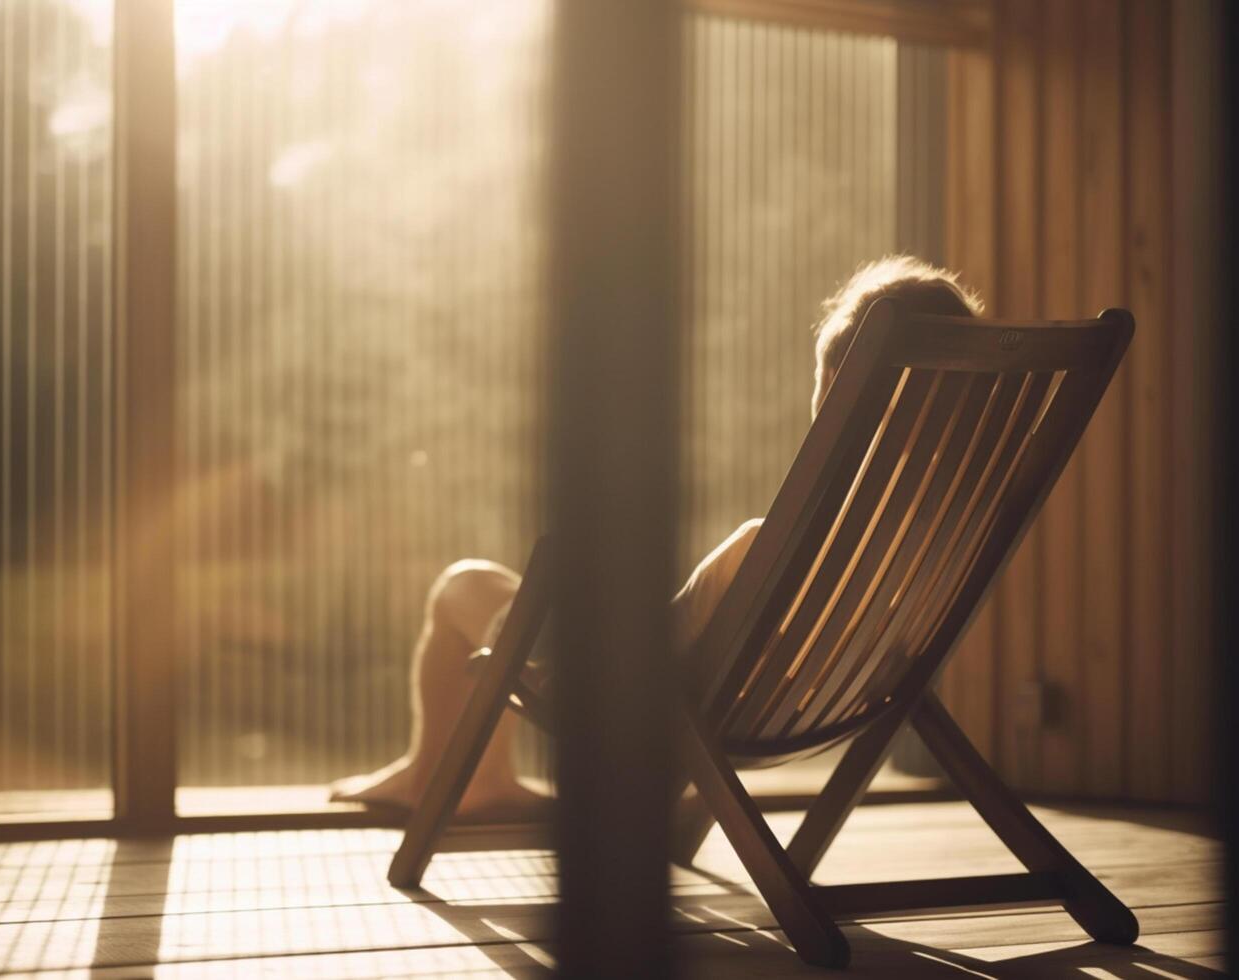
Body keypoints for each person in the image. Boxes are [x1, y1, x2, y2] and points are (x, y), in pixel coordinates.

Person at [330, 255, 984, 820]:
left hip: (628, 692)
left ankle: (439, 777)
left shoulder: (777, 552)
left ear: (837, 399)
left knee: (464, 584)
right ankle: (476, 781)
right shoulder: (947, 531)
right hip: (791, 709)